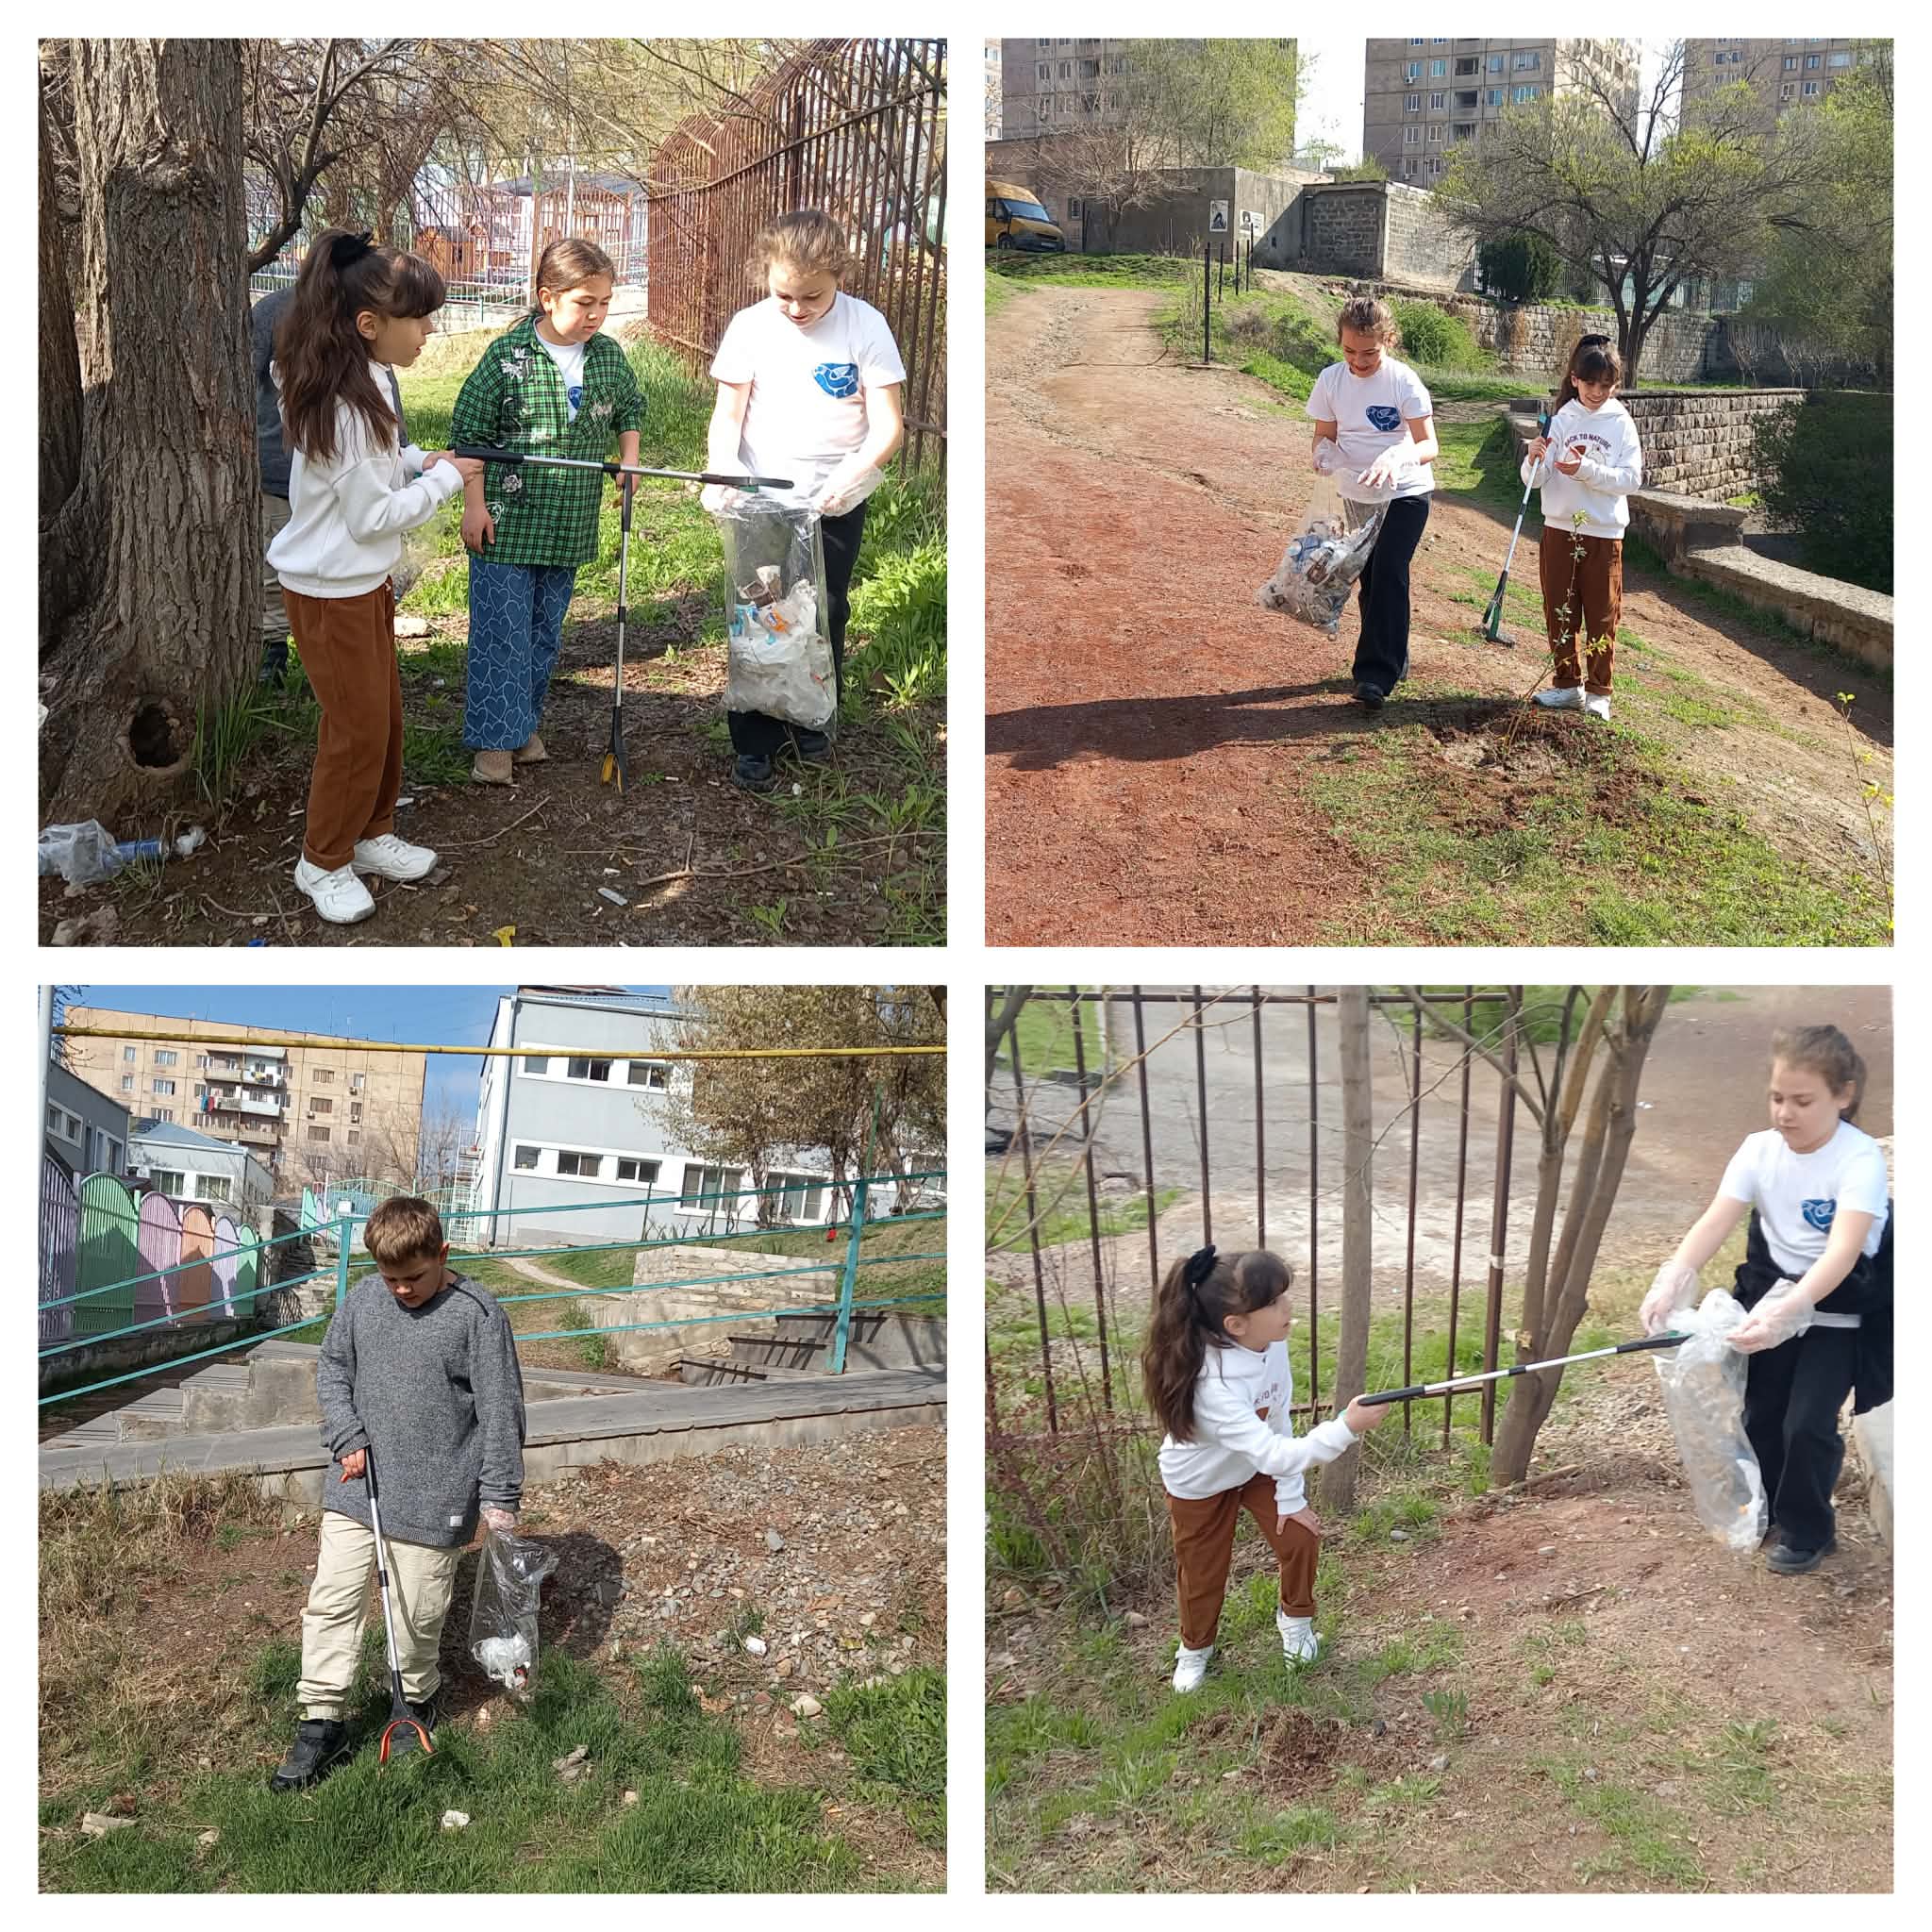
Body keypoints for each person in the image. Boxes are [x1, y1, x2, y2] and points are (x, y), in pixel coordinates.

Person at [269, 1197, 526, 1792]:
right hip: (359, 1490)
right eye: (390, 1279)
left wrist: (500, 1497)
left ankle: (414, 1701)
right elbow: (332, 1368)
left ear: (442, 1255)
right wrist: (346, 1432)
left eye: (413, 1278)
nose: (401, 1291)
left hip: (438, 1499)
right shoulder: (363, 1300)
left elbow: (500, 1411)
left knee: (417, 1617)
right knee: (332, 1601)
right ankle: (321, 1722)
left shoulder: (478, 1316)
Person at [268, 229, 483, 924]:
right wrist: (446, 482)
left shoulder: (370, 381)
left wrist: (421, 459)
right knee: (355, 730)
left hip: (362, 585)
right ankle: (322, 859)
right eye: (418, 319)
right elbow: (371, 518)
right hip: (329, 594)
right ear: (369, 326)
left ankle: (372, 834)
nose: (427, 332)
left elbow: (380, 470)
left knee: (383, 719)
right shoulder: (345, 406)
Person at [1640, 1025, 1891, 1575]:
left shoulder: (1859, 1159)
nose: (1785, 1113)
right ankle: (1773, 1508)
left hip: (1835, 1314)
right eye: (1778, 1098)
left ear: (1842, 1095)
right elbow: (1716, 1220)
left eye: (1803, 1101)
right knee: (1764, 1415)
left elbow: (1844, 1251)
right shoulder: (1758, 1150)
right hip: (1769, 1301)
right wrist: (1673, 1277)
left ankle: (1810, 1531)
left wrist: (1792, 1308)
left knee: (1806, 1424)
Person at [703, 209, 907, 793]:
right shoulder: (750, 326)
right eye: (784, 294)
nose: (796, 308)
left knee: (824, 608)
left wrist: (856, 472)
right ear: (766, 276)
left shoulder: (865, 325)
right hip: (763, 496)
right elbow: (729, 414)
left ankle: (811, 717)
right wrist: (725, 471)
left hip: (836, 496)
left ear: (839, 275)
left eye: (811, 296)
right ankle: (755, 739)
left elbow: (888, 425)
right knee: (762, 612)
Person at [1143, 1244, 1391, 1692]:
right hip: (1200, 1485)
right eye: (1274, 1302)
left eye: (1285, 1295)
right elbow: (1277, 1453)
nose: (1287, 1306)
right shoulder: (1211, 1385)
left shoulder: (1267, 1345)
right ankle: (1195, 1649)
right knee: (1203, 1574)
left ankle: (1296, 1624)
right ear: (1234, 1324)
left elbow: (1278, 1422)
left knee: (1300, 1536)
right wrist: (1346, 1427)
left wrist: (1291, 1498)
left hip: (1255, 1465)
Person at [451, 238, 643, 785]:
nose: (597, 315)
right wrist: (474, 505)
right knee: (500, 630)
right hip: (507, 520)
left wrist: (628, 458)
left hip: (568, 522)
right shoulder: (507, 358)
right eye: (586, 302)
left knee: (543, 630)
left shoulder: (607, 355)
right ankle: (494, 746)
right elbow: (470, 435)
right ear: (547, 298)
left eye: (605, 302)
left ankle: (522, 726)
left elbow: (628, 408)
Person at [254, 285, 418, 685]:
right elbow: (248, 373)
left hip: (350, 475)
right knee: (275, 568)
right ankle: (274, 649)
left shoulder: (364, 313)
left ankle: (340, 660)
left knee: (345, 554)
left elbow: (384, 391)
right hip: (281, 466)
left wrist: (404, 449)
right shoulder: (275, 311)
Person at [1306, 295, 1439, 711]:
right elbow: (1323, 437)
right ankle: (1393, 652)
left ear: (1389, 341)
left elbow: (1428, 444)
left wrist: (1396, 456)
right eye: (1349, 351)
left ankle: (1373, 676)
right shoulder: (1330, 381)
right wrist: (1325, 457)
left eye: (1369, 353)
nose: (1358, 362)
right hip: (1357, 493)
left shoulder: (1404, 381)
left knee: (1389, 573)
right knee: (1368, 578)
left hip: (1406, 492)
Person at [1524, 335, 1644, 722]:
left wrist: (1587, 471)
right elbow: (1537, 478)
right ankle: (1566, 685)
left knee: (1602, 613)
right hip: (1559, 529)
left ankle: (1598, 692)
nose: (1597, 392)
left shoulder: (1621, 424)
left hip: (1604, 533)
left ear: (1615, 384)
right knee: (1560, 611)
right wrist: (1533, 460)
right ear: (1575, 379)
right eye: (1590, 383)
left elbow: (1631, 479)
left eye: (1606, 385)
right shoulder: (1560, 419)